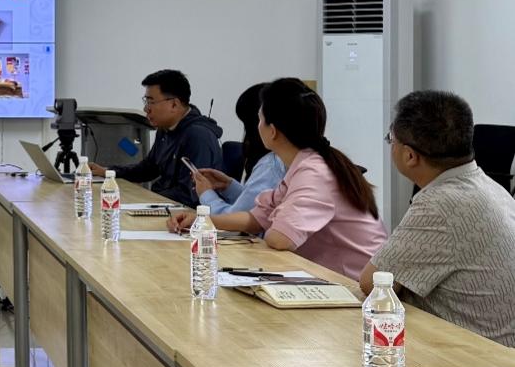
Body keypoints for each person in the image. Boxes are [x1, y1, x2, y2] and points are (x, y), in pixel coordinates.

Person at [168, 77, 385, 278]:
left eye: (260, 119)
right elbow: (256, 218)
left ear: (272, 131)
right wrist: (201, 221)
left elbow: (280, 238)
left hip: (354, 286)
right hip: (331, 277)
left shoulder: (314, 172)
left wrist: (274, 222)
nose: (256, 127)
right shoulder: (303, 163)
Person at [360, 91, 515, 346]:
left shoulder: (440, 204)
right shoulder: (488, 187)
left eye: (391, 140)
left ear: (410, 156)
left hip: (476, 356)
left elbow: (373, 283)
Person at [89, 69, 222, 208]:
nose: (146, 109)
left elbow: (189, 195)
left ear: (174, 104)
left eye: (151, 102)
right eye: (146, 101)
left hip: (186, 215)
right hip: (163, 204)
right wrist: (109, 172)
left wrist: (144, 200)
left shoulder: (198, 137)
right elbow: (149, 168)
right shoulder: (165, 129)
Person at [190, 83, 286, 214]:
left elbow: (234, 219)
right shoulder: (283, 160)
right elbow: (257, 205)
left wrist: (206, 194)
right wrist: (229, 186)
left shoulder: (271, 165)